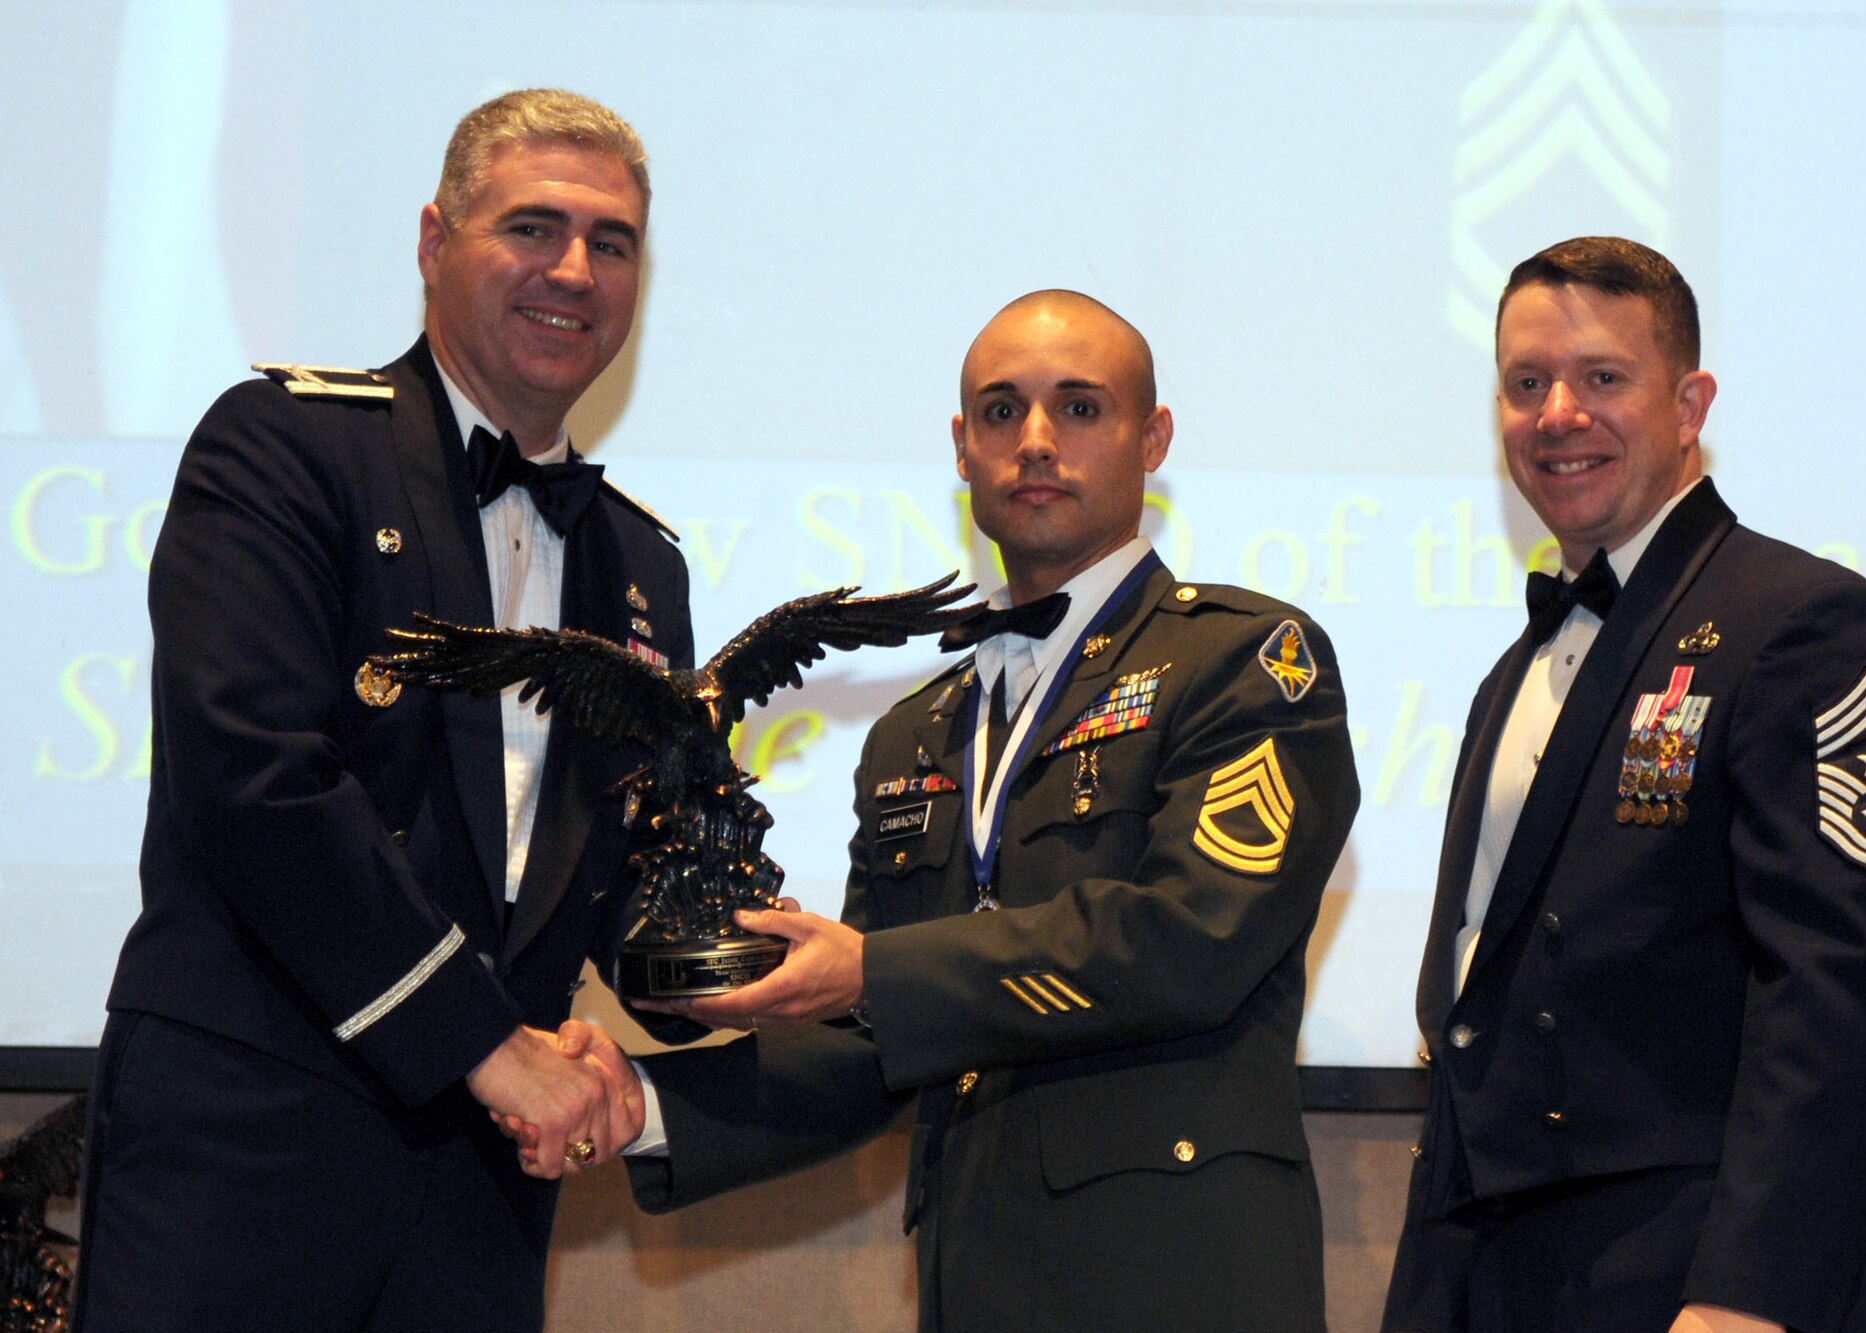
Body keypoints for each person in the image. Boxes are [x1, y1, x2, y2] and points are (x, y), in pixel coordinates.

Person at [528, 289, 1360, 1330]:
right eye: (1002, 411)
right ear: (962, 448)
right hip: (975, 1281)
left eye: (1081, 407)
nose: (1036, 440)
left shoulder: (1243, 660)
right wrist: (644, 1106)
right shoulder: (913, 732)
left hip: (1181, 1280)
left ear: (1152, 440)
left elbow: (1187, 941)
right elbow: (872, 1041)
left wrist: (871, 970)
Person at [74, 89, 687, 1332]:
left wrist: (825, 971)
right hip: (246, 1151)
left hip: (482, 1197)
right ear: (432, 241)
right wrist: (490, 1044)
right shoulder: (284, 447)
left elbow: (626, 871)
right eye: (532, 226)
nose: (573, 270)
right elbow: (256, 783)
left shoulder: (641, 565)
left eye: (610, 242)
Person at [1380, 237, 1866, 1333]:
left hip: (1687, 1279)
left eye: (1601, 377)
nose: (1557, 414)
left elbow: (1842, 990)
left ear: (1689, 405)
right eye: (1526, 383)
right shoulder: (1518, 669)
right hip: (1492, 1276)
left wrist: (1749, 1296)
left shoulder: (1805, 623)